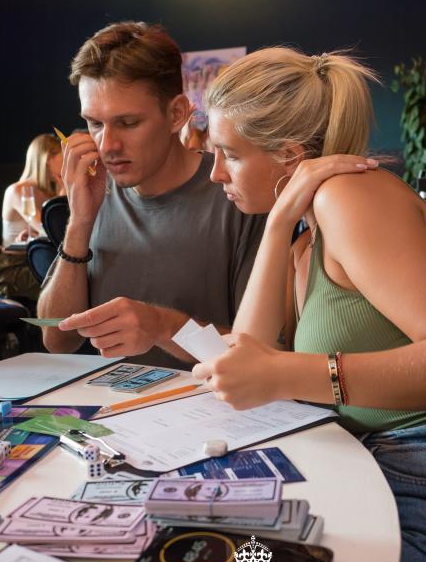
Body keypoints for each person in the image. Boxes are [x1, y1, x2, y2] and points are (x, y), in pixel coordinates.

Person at [192, 47, 426, 562]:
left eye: (228, 154)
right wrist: (277, 226)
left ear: (288, 154)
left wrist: (287, 373)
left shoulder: (351, 197)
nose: (216, 174)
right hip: (393, 475)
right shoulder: (304, 238)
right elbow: (250, 354)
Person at [39, 22, 278, 368]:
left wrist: (163, 327)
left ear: (177, 114)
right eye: (95, 123)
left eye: (128, 123)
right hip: (107, 397)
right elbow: (57, 340)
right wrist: (79, 223)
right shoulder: (95, 192)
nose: (107, 145)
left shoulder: (237, 193)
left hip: (209, 398)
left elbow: (264, 354)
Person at [0, 134, 64, 303]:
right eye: (63, 156)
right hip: (12, 267)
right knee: (66, 284)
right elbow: (50, 232)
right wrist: (63, 192)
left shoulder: (49, 192)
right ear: (47, 159)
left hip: (41, 259)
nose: (66, 163)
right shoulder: (18, 191)